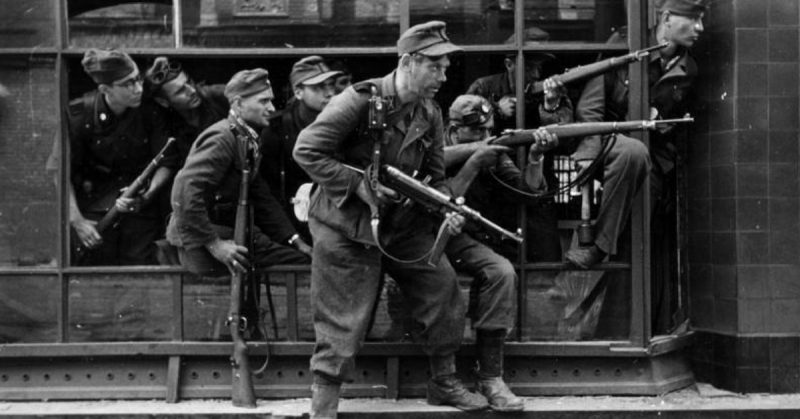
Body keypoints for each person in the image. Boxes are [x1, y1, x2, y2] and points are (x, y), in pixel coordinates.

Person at [294, 21, 490, 417]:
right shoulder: (357, 101)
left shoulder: (430, 113)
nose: (444, 75)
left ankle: (444, 380)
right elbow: (307, 151)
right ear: (408, 62)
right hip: (343, 224)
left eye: (446, 67)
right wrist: (358, 184)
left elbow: (436, 179)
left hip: (400, 224)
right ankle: (324, 404)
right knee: (341, 318)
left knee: (442, 285)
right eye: (435, 66)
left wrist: (447, 209)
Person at [567, 0, 706, 274]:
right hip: (607, 141)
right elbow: (590, 105)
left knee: (639, 240)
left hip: (650, 158)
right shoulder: (625, 42)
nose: (700, 28)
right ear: (666, 18)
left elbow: (675, 123)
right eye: (693, 19)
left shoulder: (688, 70)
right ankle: (598, 249)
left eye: (701, 20)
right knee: (632, 150)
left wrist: (663, 124)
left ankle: (624, 313)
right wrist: (587, 156)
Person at [440, 94, 560, 411]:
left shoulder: (492, 151)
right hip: (430, 235)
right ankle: (444, 378)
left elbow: (528, 191)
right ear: (453, 133)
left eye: (489, 130)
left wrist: (535, 156)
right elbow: (440, 199)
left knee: (501, 272)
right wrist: (475, 159)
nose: (484, 138)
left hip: (469, 239)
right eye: (477, 133)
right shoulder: (434, 152)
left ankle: (491, 377)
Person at [166, 68, 311, 278]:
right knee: (300, 264)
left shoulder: (245, 138)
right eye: (263, 101)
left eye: (270, 101)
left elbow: (262, 198)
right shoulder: (222, 137)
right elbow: (184, 193)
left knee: (299, 256)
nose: (271, 108)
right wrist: (214, 244)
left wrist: (295, 240)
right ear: (238, 103)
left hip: (221, 234)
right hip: (202, 243)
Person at [465, 30, 572, 262]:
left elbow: (567, 139)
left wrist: (551, 107)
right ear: (509, 64)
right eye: (529, 65)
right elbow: (459, 129)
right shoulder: (483, 87)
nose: (535, 73)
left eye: (538, 67)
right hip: (491, 187)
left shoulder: (549, 91)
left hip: (536, 185)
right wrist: (494, 108)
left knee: (545, 262)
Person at [66, 48, 176, 266]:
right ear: (105, 89)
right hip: (93, 210)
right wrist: (77, 221)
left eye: (138, 79)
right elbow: (60, 173)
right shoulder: (79, 115)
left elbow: (167, 161)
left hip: (138, 209)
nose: (138, 89)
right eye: (128, 84)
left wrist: (147, 195)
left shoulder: (148, 110)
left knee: (141, 271)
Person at [260, 56, 342, 243]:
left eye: (331, 85)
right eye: (318, 87)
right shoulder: (277, 130)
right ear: (298, 92)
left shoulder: (345, 120)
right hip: (295, 222)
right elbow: (267, 191)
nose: (329, 93)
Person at [144, 56, 229, 167]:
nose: (192, 90)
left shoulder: (215, 96)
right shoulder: (166, 122)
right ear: (163, 102)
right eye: (180, 91)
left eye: (189, 82)